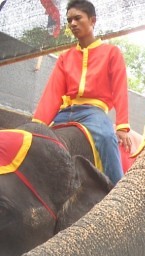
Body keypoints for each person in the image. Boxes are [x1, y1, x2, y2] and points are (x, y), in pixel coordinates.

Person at [32, 0, 131, 184]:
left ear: (92, 20)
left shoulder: (111, 53)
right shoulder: (65, 57)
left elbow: (120, 90)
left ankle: (115, 192)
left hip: (93, 113)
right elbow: (52, 93)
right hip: (65, 114)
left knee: (107, 138)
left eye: (78, 18)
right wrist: (37, 125)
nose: (73, 24)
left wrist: (122, 127)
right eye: (69, 20)